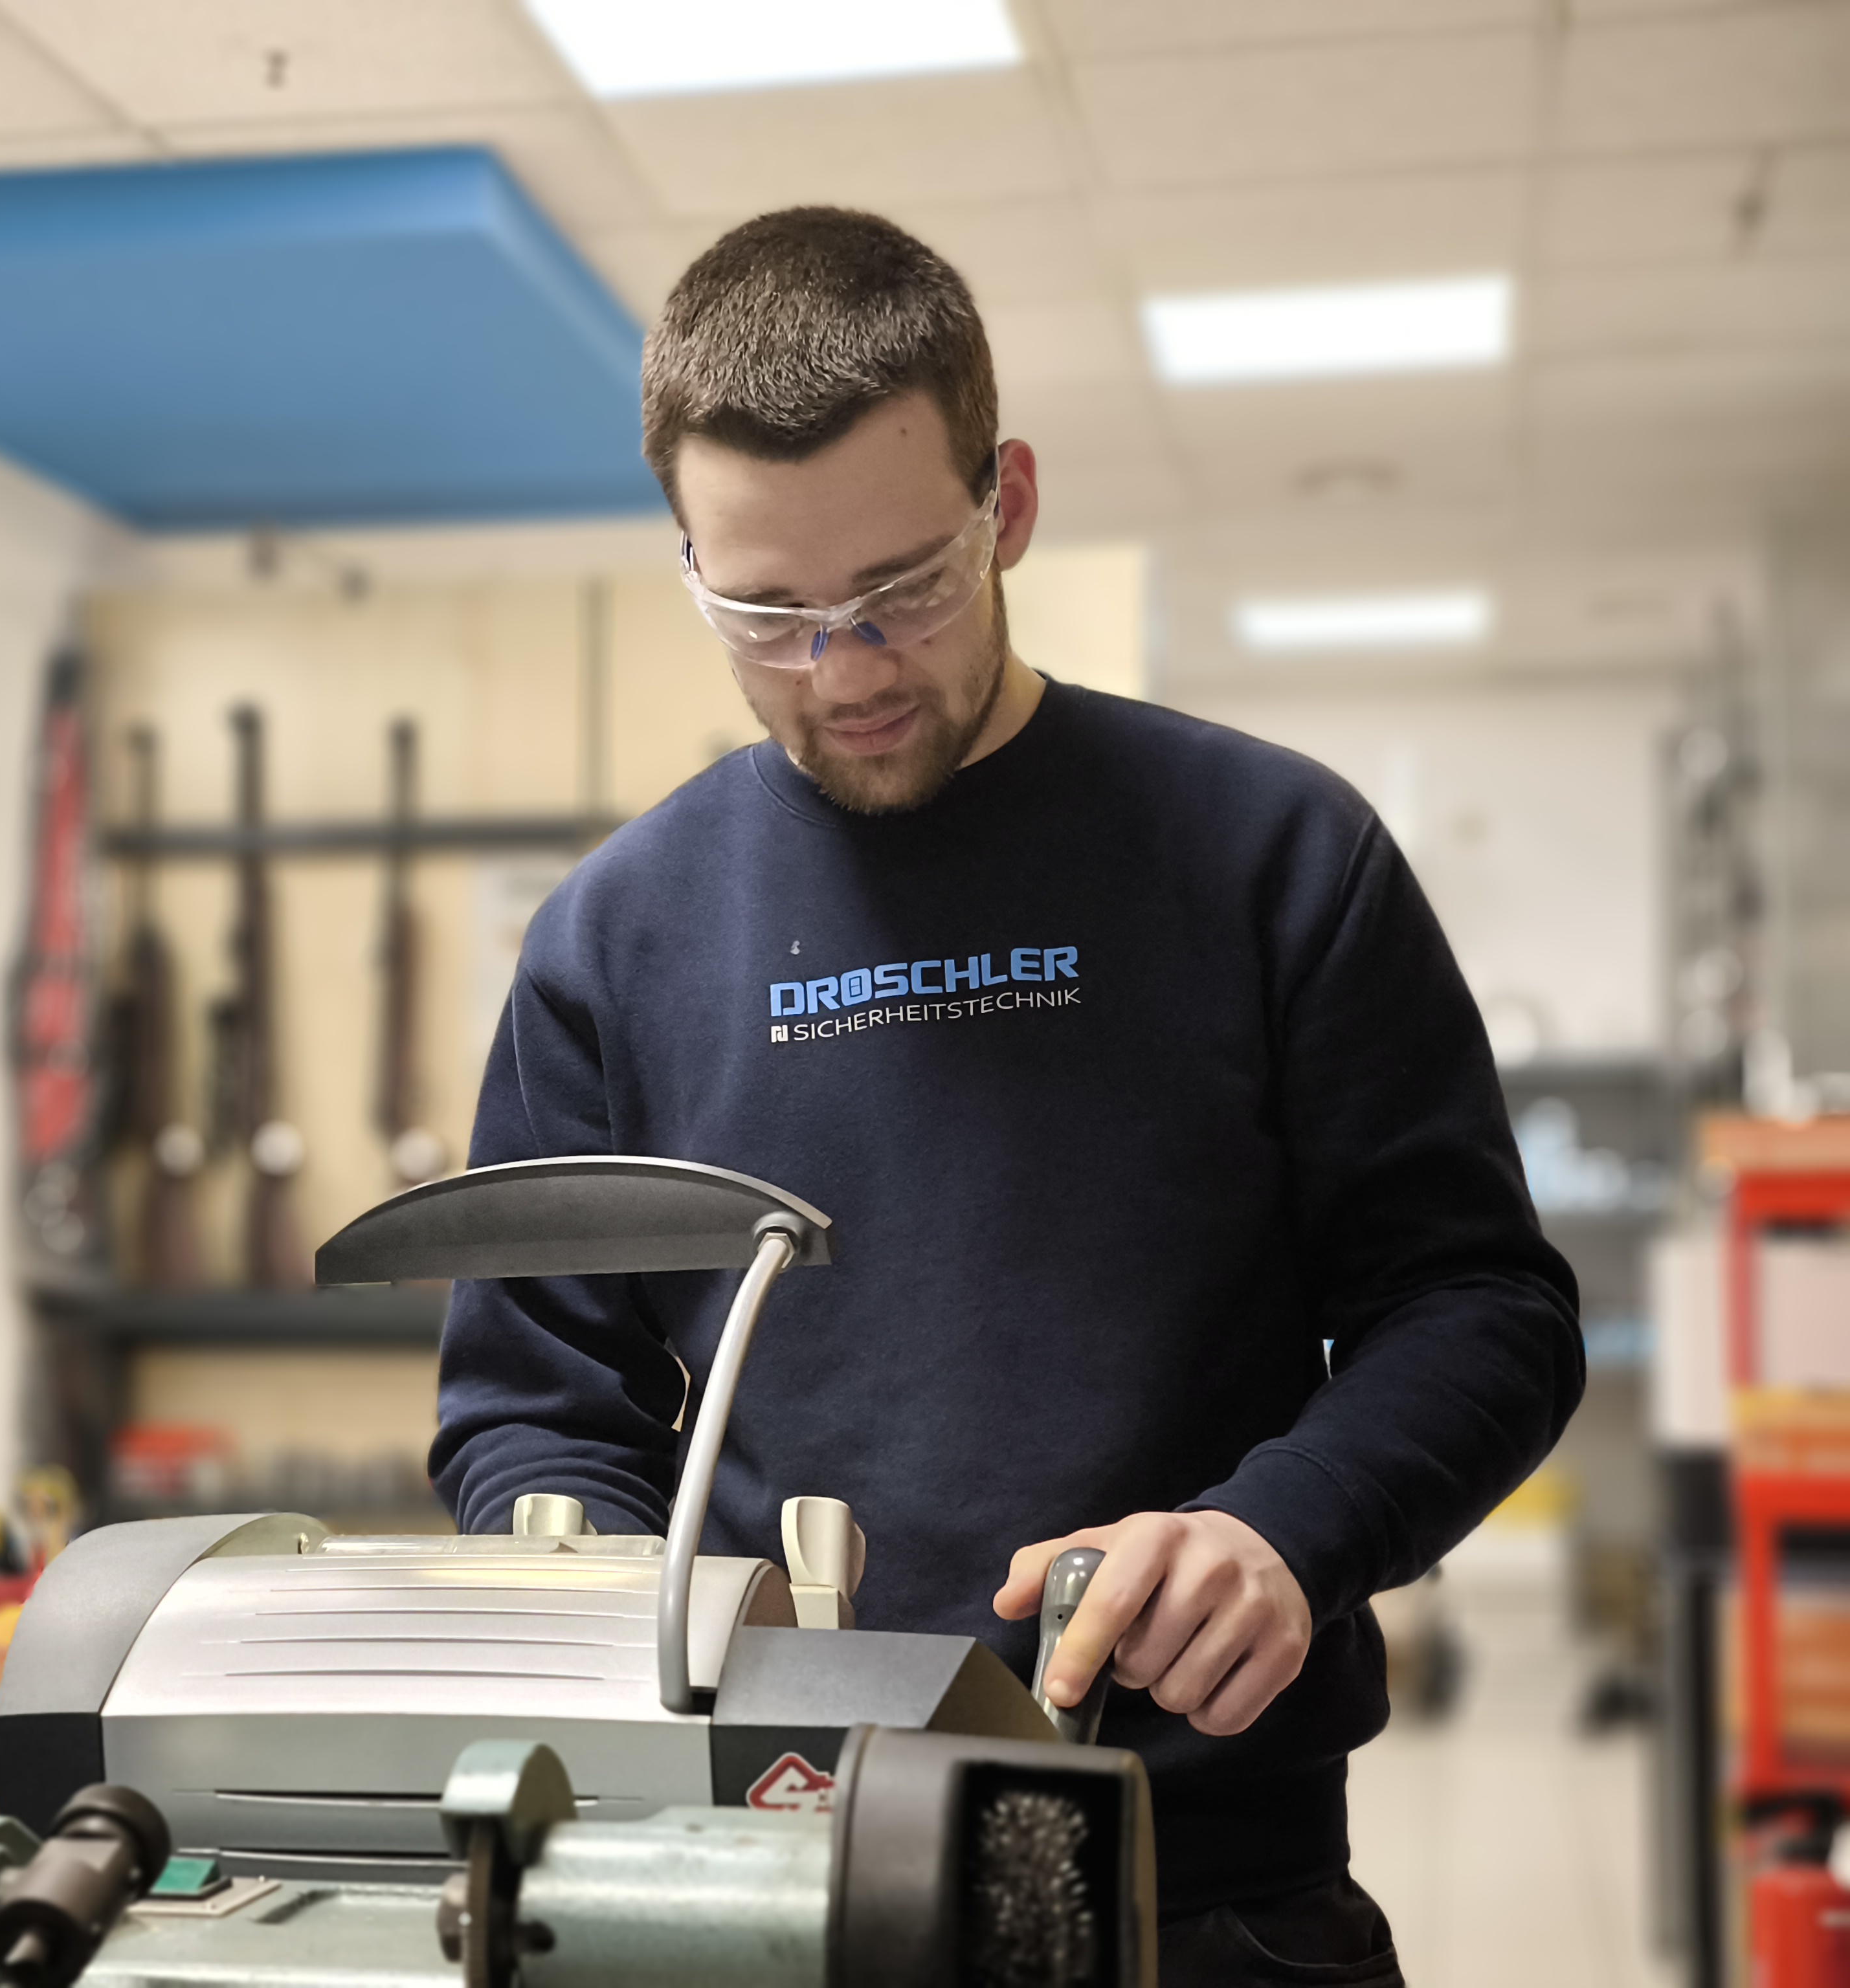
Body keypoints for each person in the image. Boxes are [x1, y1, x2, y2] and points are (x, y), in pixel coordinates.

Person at [428, 208, 1582, 1987]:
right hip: (762, 1874)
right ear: (686, 561)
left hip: (1209, 1887)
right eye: (766, 614)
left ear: (1009, 505)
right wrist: (589, 1597)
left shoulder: (1273, 855)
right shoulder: (615, 940)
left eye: (902, 593)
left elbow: (1482, 1308)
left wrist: (1282, 1530)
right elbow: (533, 1406)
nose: (846, 669)